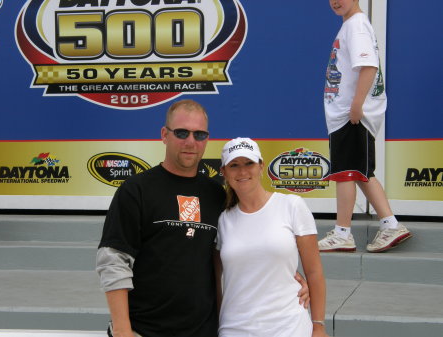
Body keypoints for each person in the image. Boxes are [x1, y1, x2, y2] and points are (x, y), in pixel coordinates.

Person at [96, 99, 310, 337]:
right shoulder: (136, 189)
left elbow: (251, 240)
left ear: (207, 140)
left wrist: (291, 282)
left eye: (199, 134)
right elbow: (113, 262)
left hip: (203, 331)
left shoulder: (218, 195)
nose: (190, 142)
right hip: (143, 330)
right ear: (164, 135)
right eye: (181, 132)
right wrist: (123, 330)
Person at [319, 0, 412, 253]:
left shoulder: (356, 25)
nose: (336, 1)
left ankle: (342, 233)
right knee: (361, 172)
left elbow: (368, 67)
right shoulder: (351, 24)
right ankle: (390, 224)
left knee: (346, 173)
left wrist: (356, 106)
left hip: (350, 115)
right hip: (346, 114)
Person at [214, 137, 328, 337]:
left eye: (249, 163)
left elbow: (314, 272)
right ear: (224, 172)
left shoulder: (292, 206)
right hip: (234, 328)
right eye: (234, 165)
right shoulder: (222, 219)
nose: (242, 171)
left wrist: (318, 326)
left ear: (261, 166)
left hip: (289, 327)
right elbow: (215, 281)